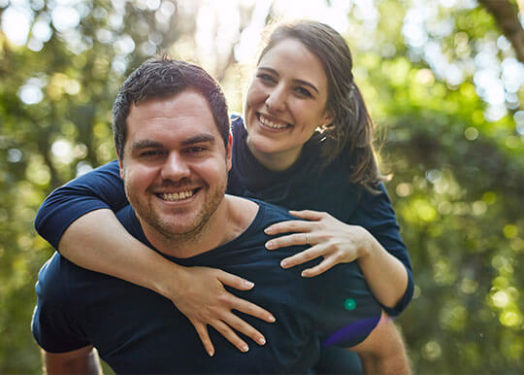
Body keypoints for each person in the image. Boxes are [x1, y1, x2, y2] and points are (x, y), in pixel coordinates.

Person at [34, 21, 413, 372]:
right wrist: (176, 282)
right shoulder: (188, 147)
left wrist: (362, 242)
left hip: (320, 332)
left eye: (301, 91)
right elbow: (60, 210)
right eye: (267, 78)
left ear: (328, 113)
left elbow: (397, 298)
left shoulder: (347, 172)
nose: (275, 101)